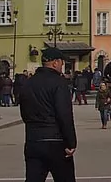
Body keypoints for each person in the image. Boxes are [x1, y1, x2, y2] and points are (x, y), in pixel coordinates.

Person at [20, 46, 77, 182]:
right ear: (55, 62)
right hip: (56, 141)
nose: (62, 66)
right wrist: (71, 142)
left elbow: (24, 113)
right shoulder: (59, 83)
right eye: (62, 62)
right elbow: (64, 114)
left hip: (33, 140)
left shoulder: (28, 83)